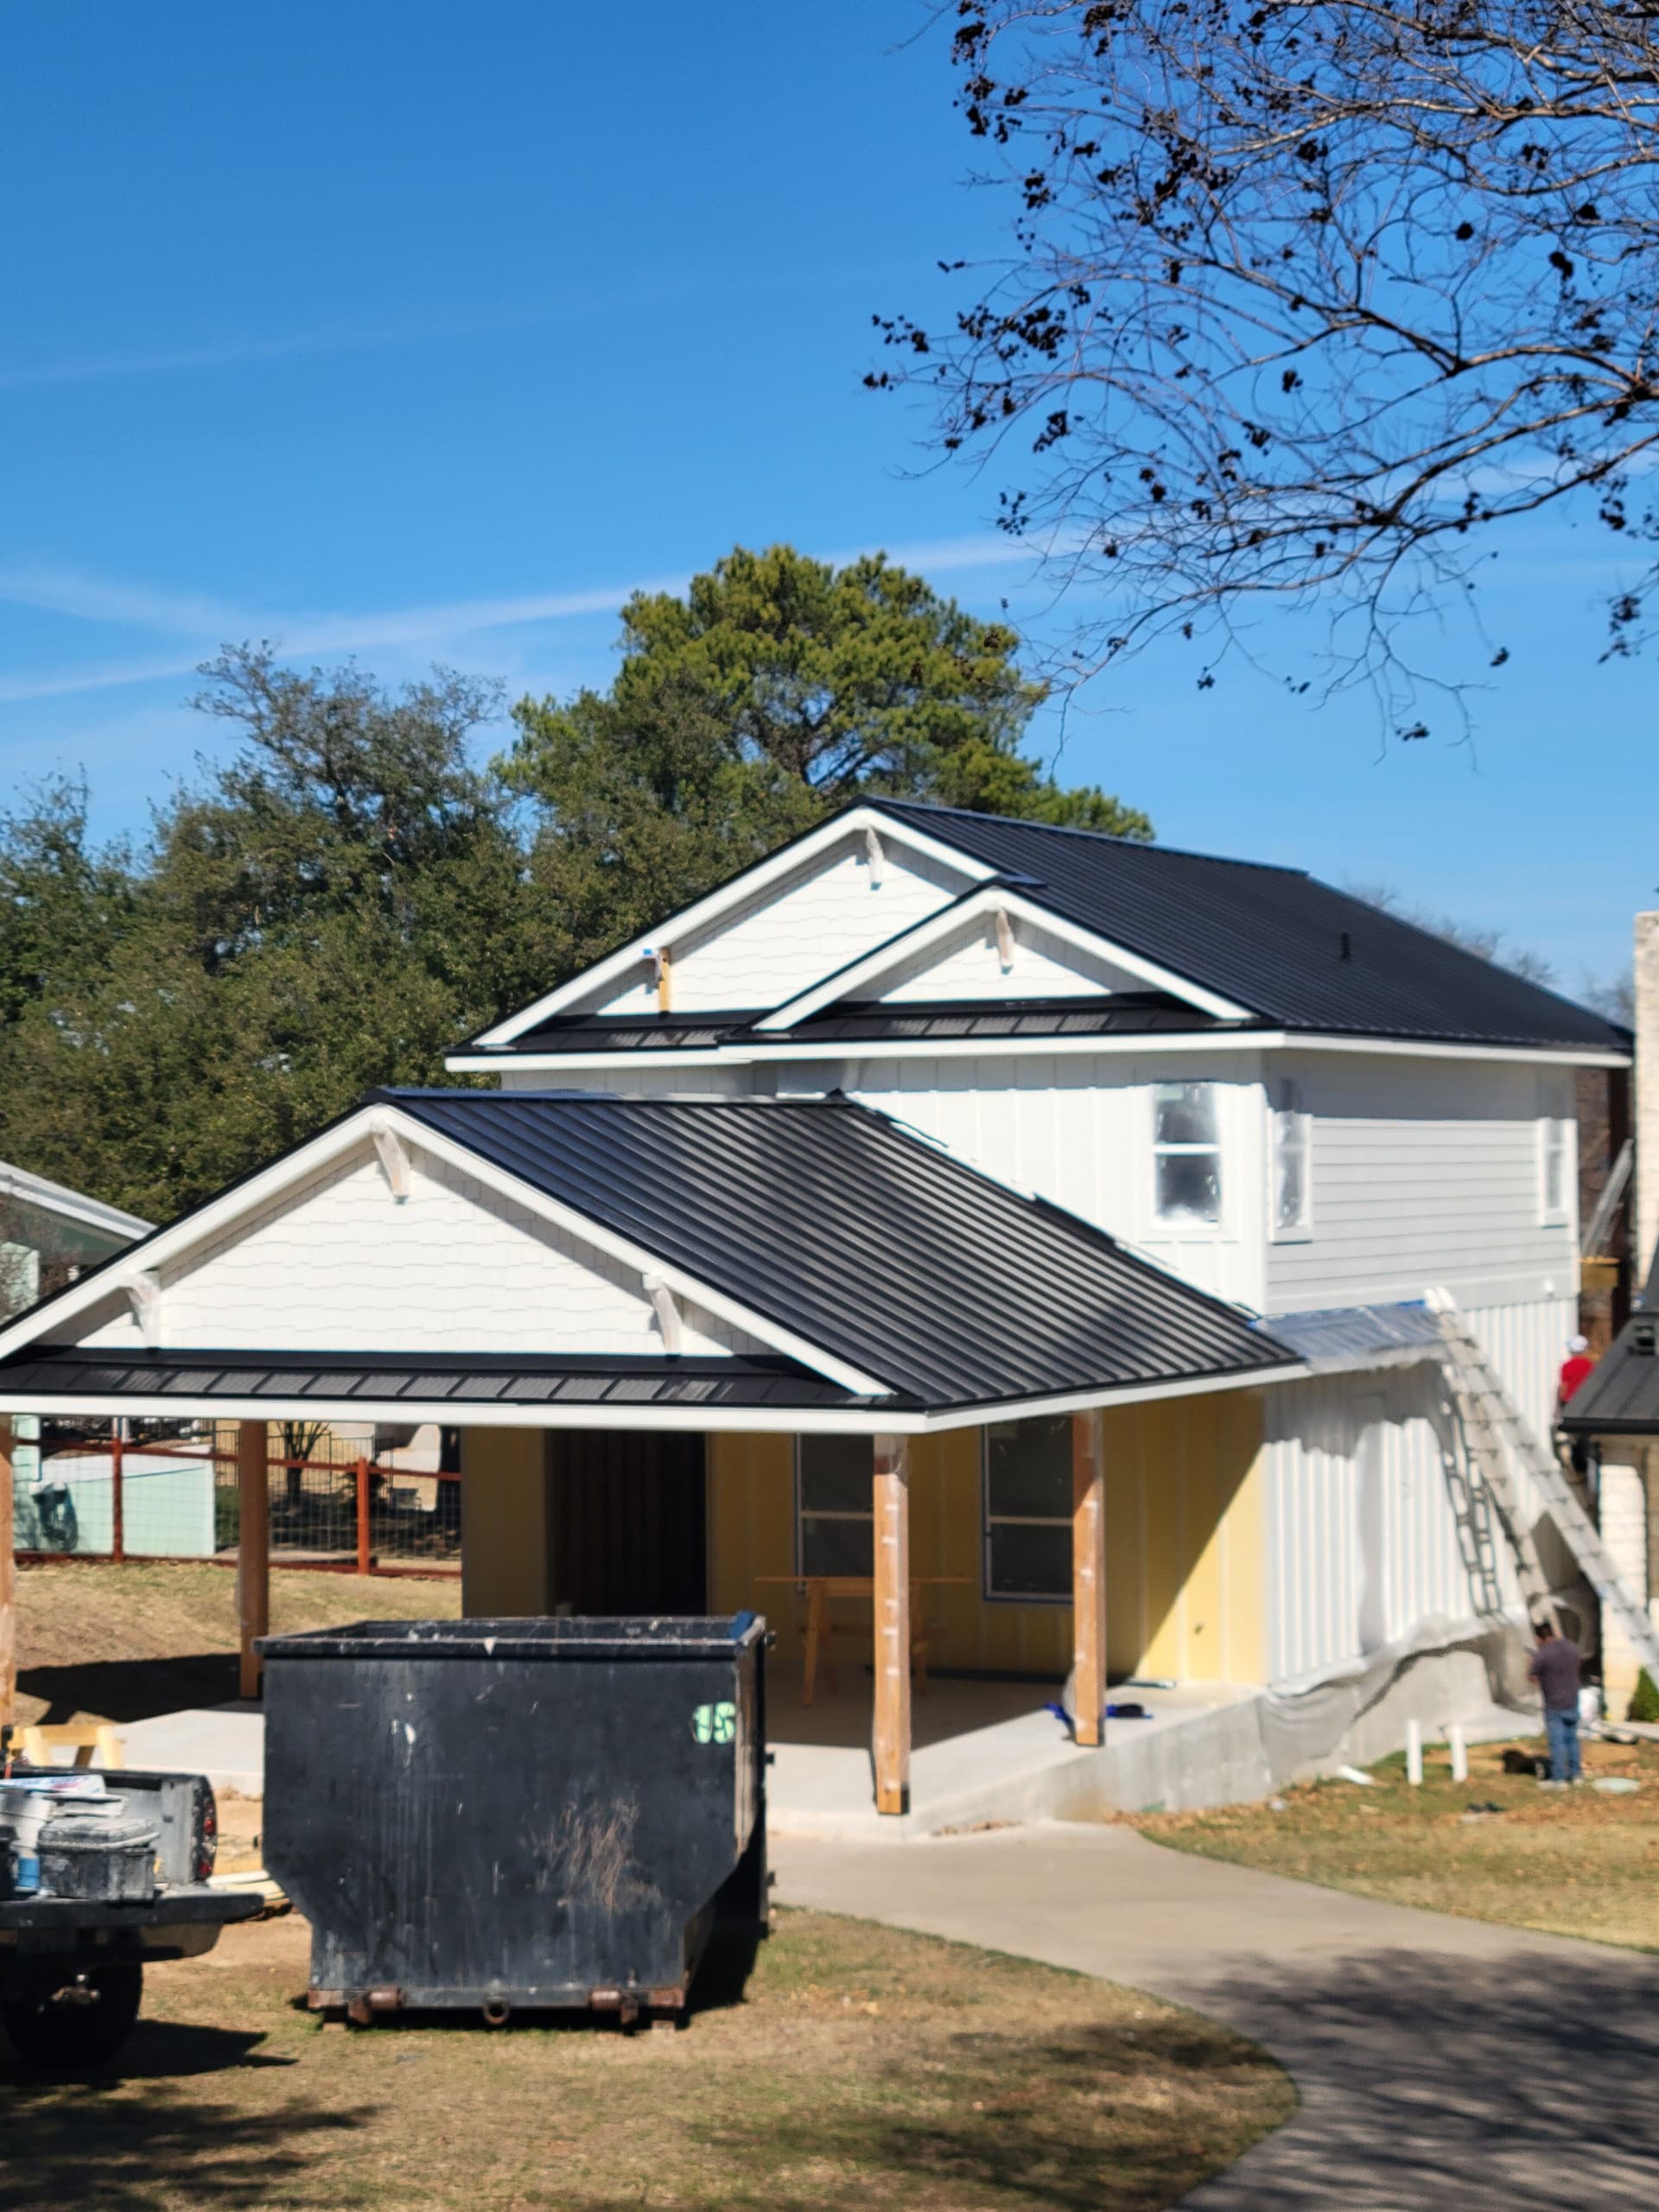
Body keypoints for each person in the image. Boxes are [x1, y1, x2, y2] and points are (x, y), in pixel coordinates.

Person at [1527, 1618, 1583, 1783]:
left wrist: (1532, 1664)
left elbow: (1532, 1678)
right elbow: (1578, 1665)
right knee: (1572, 1739)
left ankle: (1559, 1778)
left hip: (1554, 1704)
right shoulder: (1572, 1648)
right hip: (1572, 1700)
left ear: (1539, 1638)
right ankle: (1576, 1774)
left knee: (1557, 1742)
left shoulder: (1542, 1654)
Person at [1557, 1333, 1597, 1409]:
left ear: (1570, 1349)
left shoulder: (1567, 1366)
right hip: (1586, 1401)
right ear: (1585, 1349)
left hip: (1569, 1403)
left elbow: (1564, 1388)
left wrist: (1558, 1404)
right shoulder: (1590, 1365)